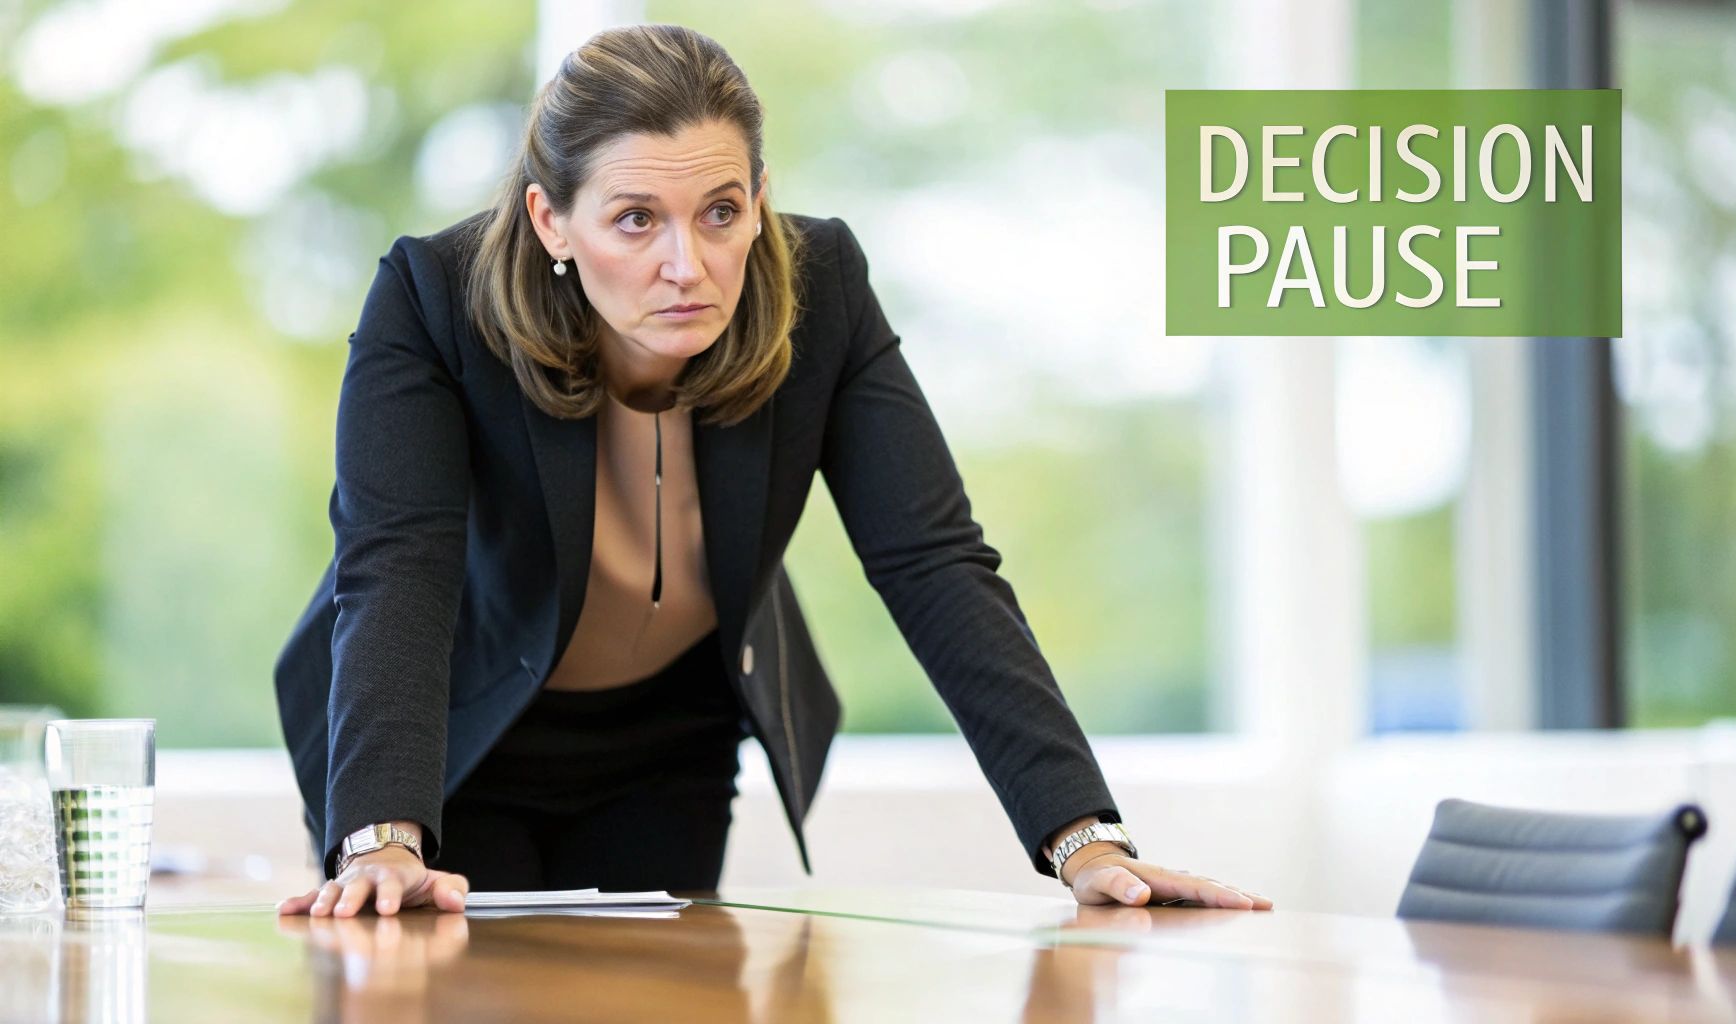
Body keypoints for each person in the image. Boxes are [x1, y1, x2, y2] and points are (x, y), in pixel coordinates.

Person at [274, 23, 1271, 918]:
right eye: (635, 220)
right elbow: (398, 565)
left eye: (719, 211)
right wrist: (381, 835)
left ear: (757, 200)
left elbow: (933, 562)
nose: (688, 264)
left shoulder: (822, 289)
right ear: (550, 222)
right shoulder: (432, 299)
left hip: (668, 737)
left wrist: (1084, 838)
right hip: (452, 737)